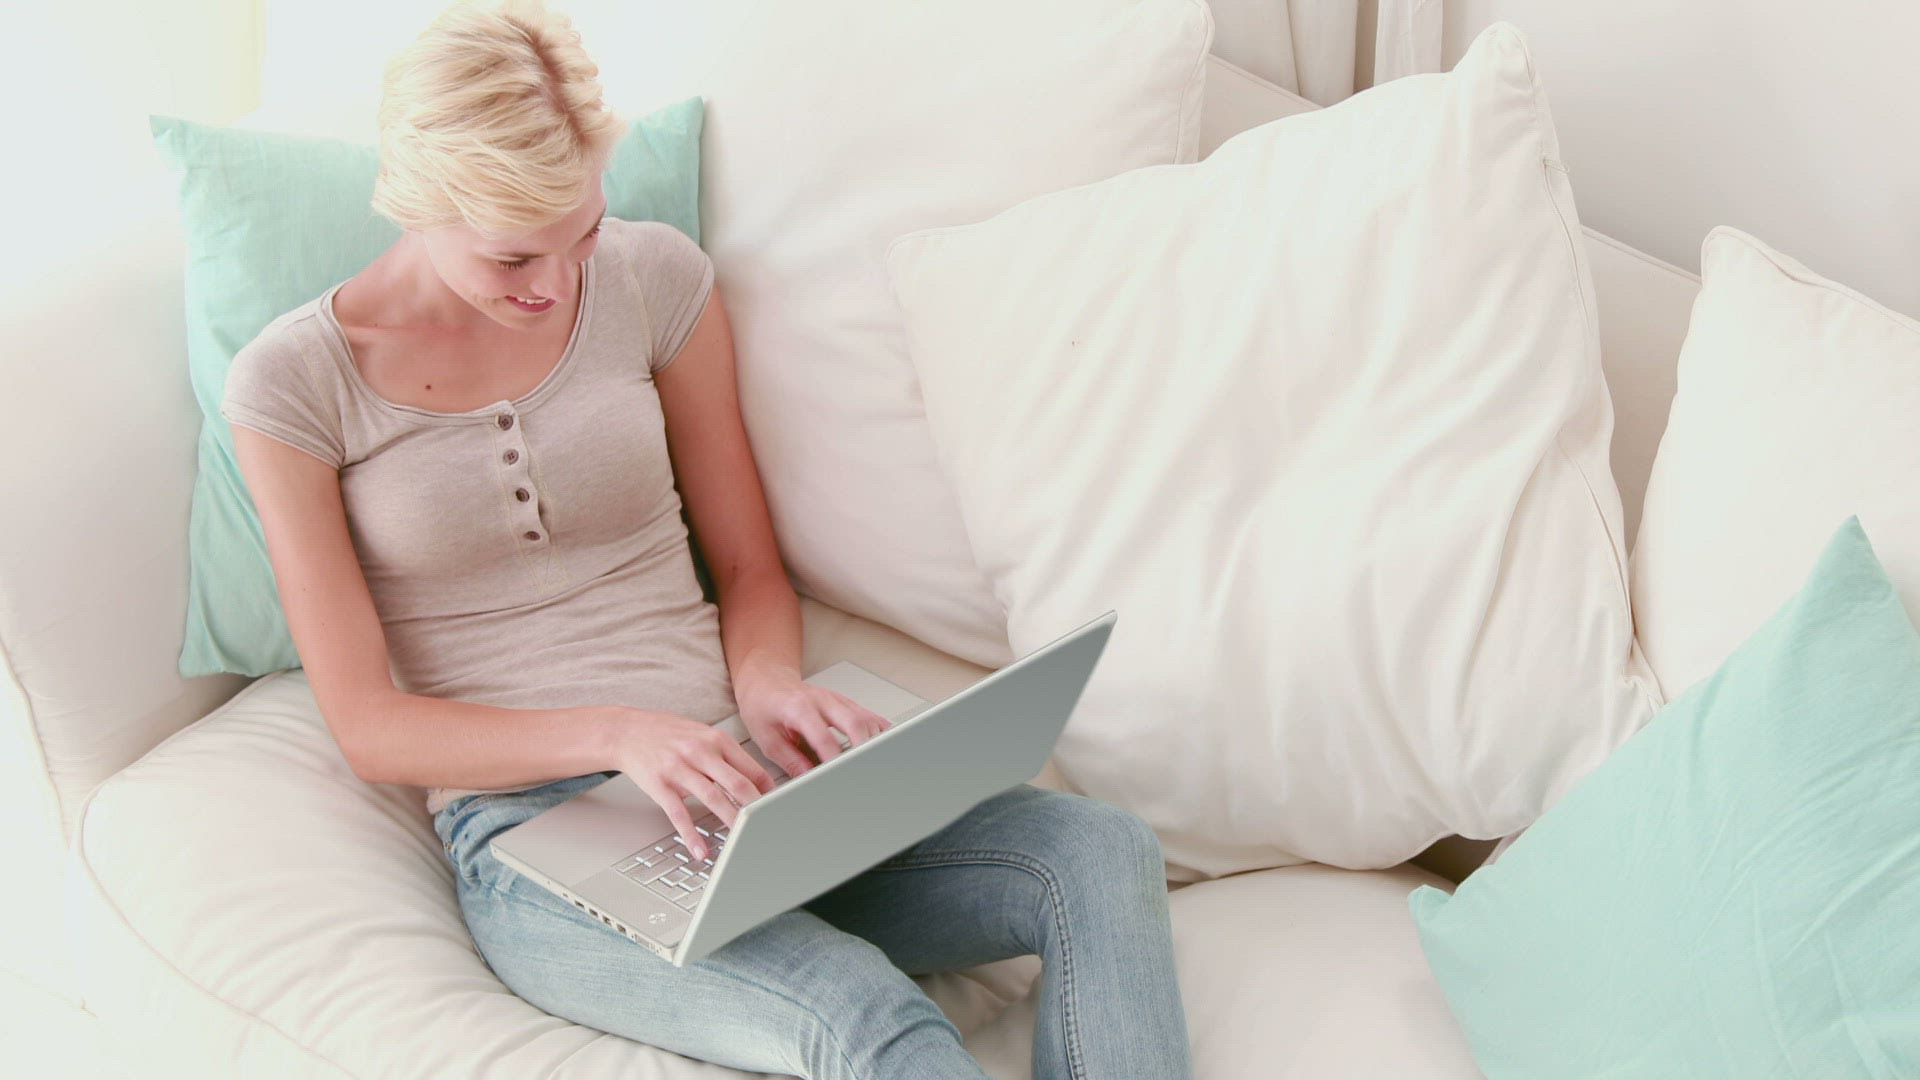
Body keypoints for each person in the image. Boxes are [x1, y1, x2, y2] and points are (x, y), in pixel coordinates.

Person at [220, 2, 1194, 1077]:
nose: (556, 285)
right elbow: (370, 728)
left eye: (582, 233)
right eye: (513, 257)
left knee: (1095, 848)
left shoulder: (655, 278)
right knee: (864, 1017)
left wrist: (768, 685)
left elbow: (746, 568)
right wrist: (624, 735)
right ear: (419, 202)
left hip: (750, 786)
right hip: (542, 839)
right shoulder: (292, 385)